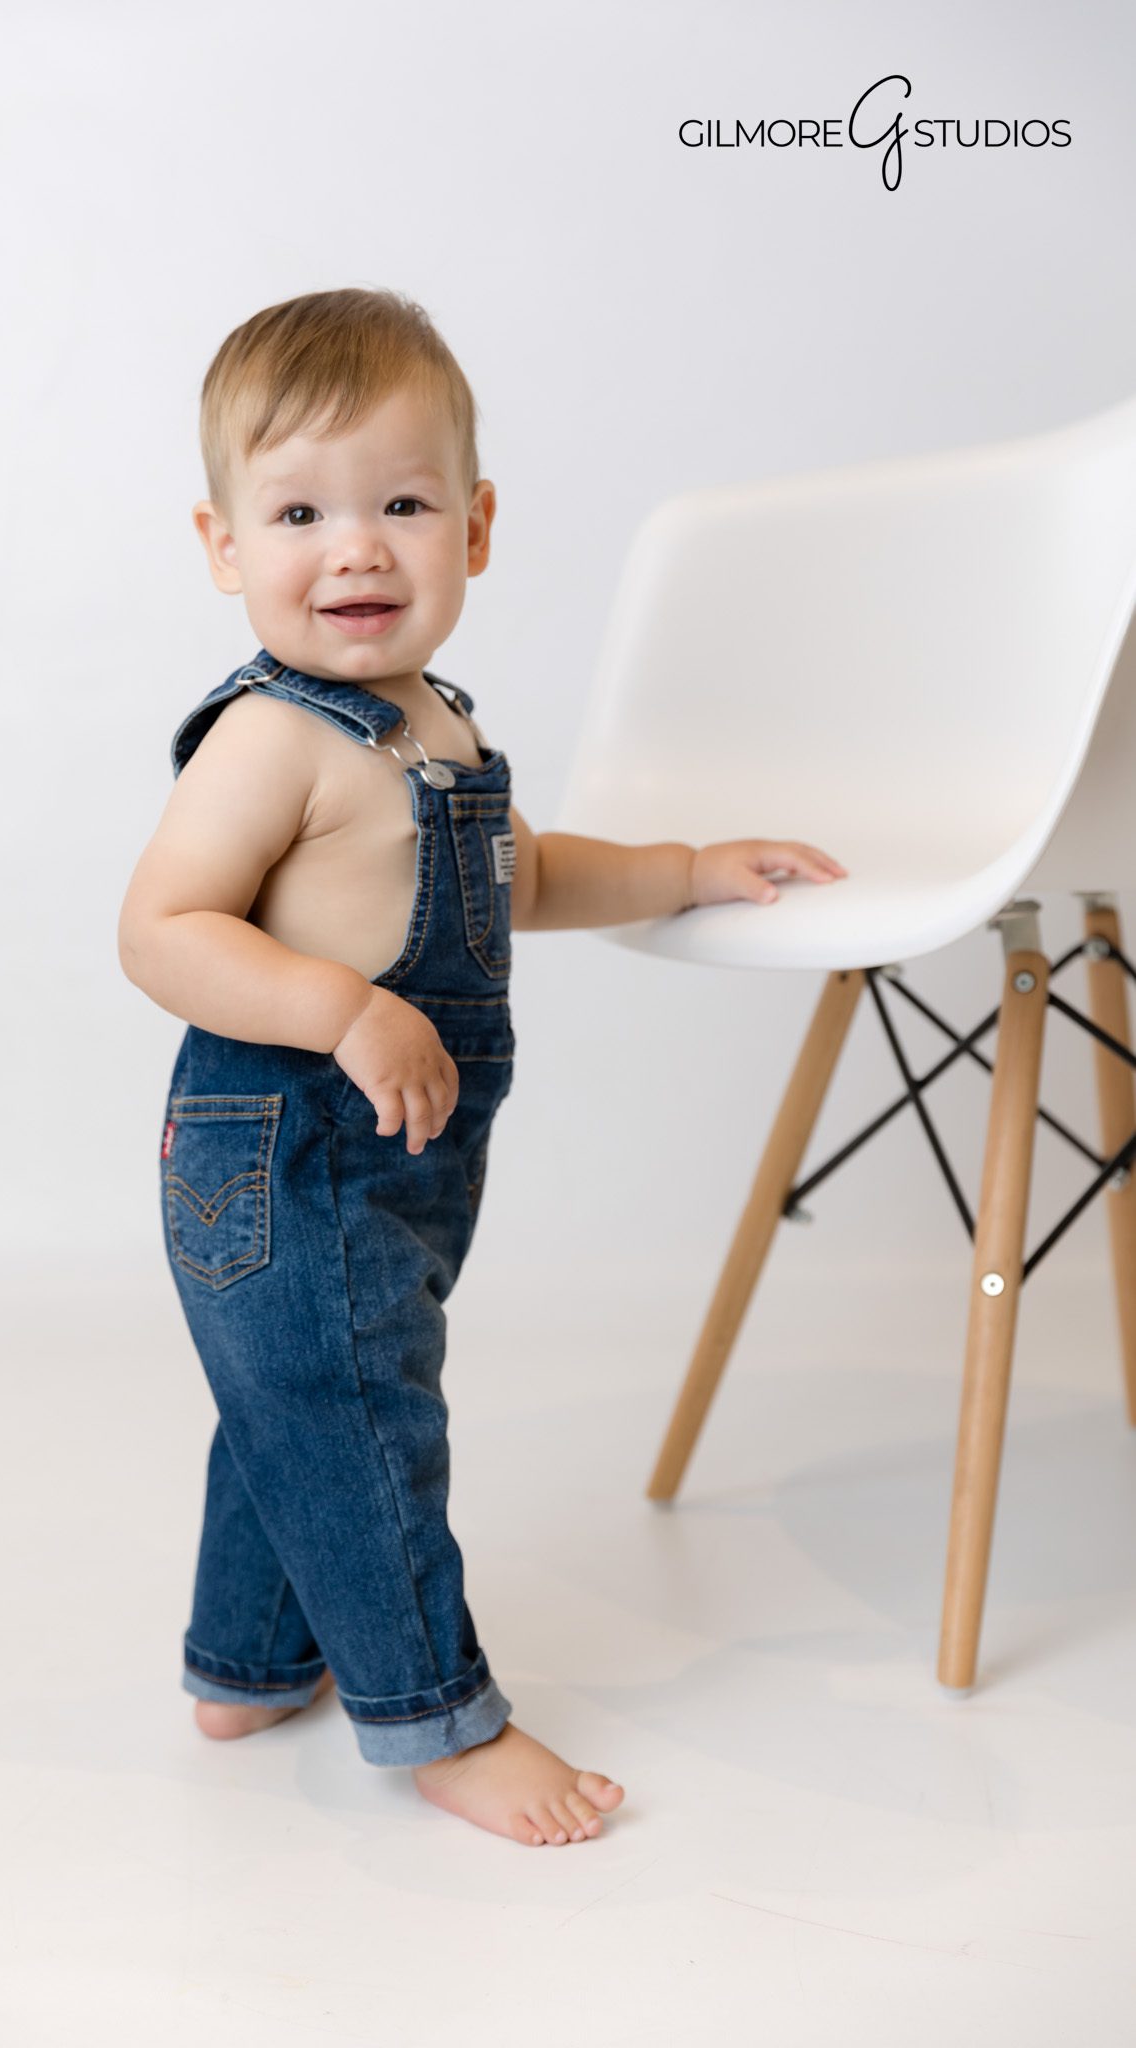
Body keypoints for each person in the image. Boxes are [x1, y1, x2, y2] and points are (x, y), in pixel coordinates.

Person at [117, 286, 847, 1849]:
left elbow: (526, 875)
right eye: (299, 510)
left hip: (392, 1159)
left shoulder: (434, 725)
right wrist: (338, 1006)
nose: (357, 546)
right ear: (223, 547)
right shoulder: (272, 739)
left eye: (401, 502)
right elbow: (162, 929)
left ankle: (246, 1668)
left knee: (293, 1406)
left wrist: (687, 866)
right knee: (360, 1417)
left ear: (477, 524)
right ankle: (439, 1723)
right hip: (287, 1144)